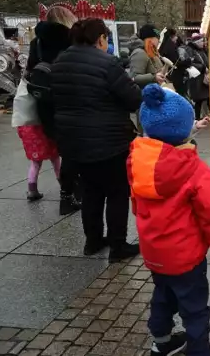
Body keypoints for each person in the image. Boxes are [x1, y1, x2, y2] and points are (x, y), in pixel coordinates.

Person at [128, 84, 210, 356]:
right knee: (195, 307)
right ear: (183, 128)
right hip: (185, 257)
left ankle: (161, 343)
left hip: (154, 253)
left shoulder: (136, 161)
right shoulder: (195, 170)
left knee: (162, 296)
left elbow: (136, 205)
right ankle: (199, 351)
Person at [50, 18, 142, 262]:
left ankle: (92, 242)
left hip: (73, 142)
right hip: (108, 142)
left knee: (90, 192)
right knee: (116, 193)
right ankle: (118, 246)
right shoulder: (107, 63)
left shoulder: (59, 62)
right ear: (101, 38)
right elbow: (133, 99)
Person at [23, 5, 81, 215]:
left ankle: (66, 196)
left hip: (44, 101)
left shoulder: (36, 42)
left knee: (62, 148)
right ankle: (75, 191)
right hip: (68, 98)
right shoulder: (70, 40)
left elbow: (29, 71)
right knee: (74, 151)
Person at [185, 33, 210, 120]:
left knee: (208, 98)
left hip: (203, 78)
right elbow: (190, 63)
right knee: (199, 100)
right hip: (196, 79)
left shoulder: (202, 50)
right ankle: (197, 118)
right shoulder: (191, 50)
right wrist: (203, 67)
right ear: (197, 42)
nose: (203, 43)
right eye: (201, 42)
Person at [159, 28, 187, 97]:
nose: (176, 38)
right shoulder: (171, 46)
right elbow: (175, 62)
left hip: (169, 76)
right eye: (175, 36)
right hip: (174, 77)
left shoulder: (163, 45)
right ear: (172, 36)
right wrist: (187, 62)